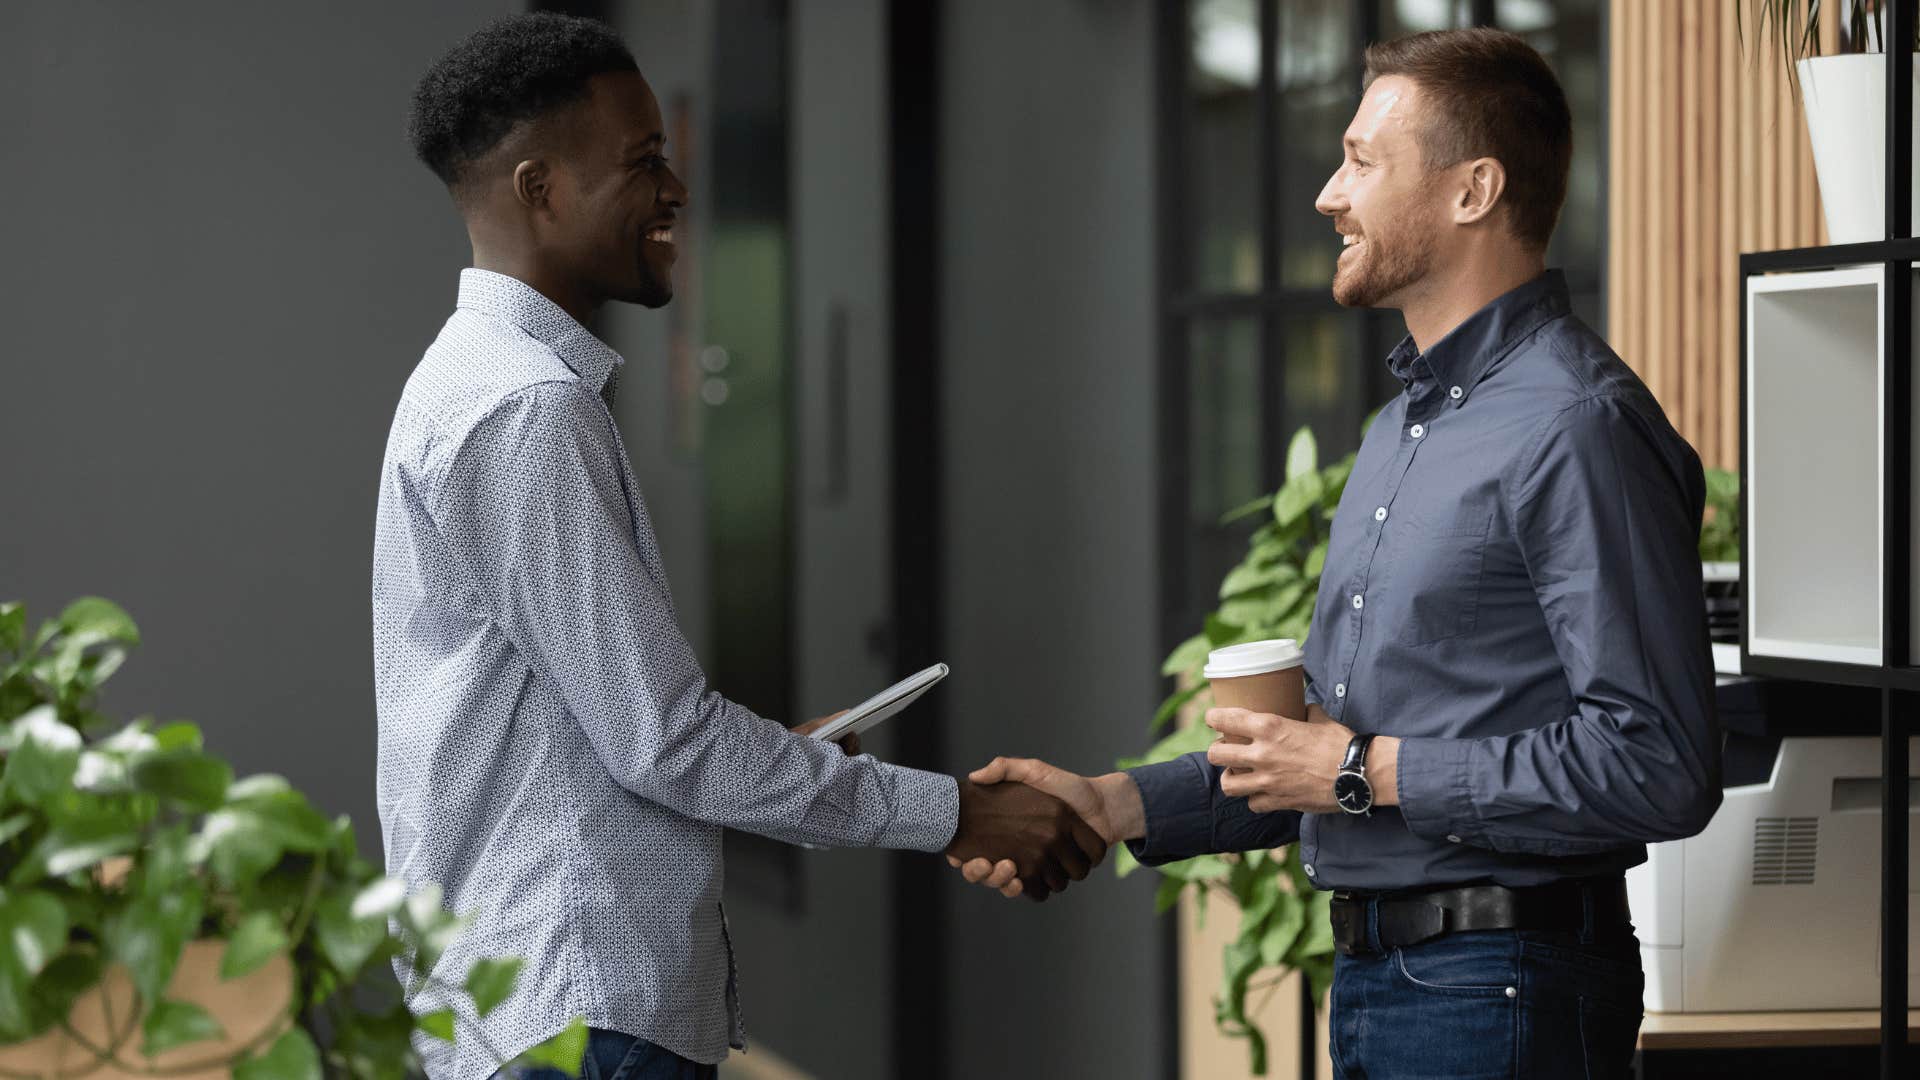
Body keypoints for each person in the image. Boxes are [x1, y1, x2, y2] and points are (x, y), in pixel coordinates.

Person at [952, 28, 1721, 1079]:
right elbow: (1323, 757)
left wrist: (1367, 770)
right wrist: (1118, 802)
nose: (1327, 192)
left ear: (1472, 190)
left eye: (1363, 160)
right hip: (1383, 984)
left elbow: (1658, 765)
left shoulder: (1577, 424)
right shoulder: (1407, 427)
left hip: (1502, 990)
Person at [373, 14, 1103, 1080]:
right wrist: (952, 812)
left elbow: (592, 726)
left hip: (526, 1003)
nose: (676, 191)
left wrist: (785, 758)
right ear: (541, 189)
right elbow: (662, 744)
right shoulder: (523, 411)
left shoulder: (469, 380)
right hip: (573, 1009)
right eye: (645, 161)